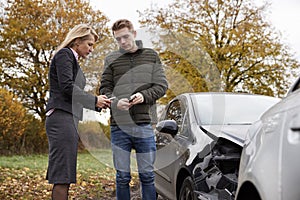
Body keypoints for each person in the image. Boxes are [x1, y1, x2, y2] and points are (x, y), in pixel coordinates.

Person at [100, 19, 168, 200]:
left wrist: (144, 96)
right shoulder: (111, 59)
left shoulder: (151, 55)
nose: (122, 42)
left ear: (134, 34)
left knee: (147, 176)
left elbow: (161, 86)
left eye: (125, 37)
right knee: (122, 177)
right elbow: (104, 89)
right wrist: (115, 102)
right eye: (118, 39)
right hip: (119, 126)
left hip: (144, 125)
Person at [45, 24, 111, 200]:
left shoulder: (72, 60)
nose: (91, 49)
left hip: (68, 118)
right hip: (61, 118)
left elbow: (73, 93)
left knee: (65, 175)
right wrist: (94, 100)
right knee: (62, 175)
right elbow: (67, 87)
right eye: (89, 44)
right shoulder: (65, 54)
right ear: (76, 41)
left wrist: (98, 104)